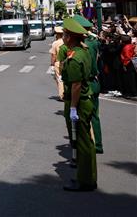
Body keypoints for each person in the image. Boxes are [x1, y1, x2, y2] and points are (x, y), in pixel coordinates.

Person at [59, 17, 96, 192]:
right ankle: (87, 177)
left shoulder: (74, 57)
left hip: (79, 102)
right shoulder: (83, 50)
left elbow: (75, 85)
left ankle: (85, 181)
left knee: (82, 143)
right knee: (85, 142)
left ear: (70, 37)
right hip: (85, 100)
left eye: (65, 34)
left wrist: (73, 107)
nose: (63, 37)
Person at [73, 15, 103, 154]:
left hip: (86, 84)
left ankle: (88, 146)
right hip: (95, 82)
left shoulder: (81, 46)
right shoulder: (94, 42)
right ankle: (98, 144)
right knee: (95, 116)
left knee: (83, 118)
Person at [50, 26, 65, 101]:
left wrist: (52, 65)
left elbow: (53, 55)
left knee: (60, 80)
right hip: (66, 62)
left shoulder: (55, 43)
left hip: (58, 63)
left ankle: (62, 95)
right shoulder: (66, 41)